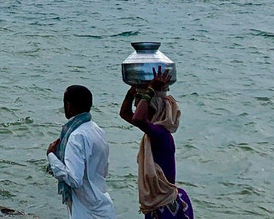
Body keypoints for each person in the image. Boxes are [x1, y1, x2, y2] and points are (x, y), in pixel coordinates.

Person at [119, 69, 193, 219]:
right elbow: (125, 114)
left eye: (142, 105)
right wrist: (133, 91)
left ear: (155, 108)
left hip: (165, 207)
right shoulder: (154, 132)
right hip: (159, 205)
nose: (138, 109)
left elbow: (138, 119)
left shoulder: (160, 135)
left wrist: (151, 89)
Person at [46, 85, 117, 219]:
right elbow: (104, 170)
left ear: (68, 105)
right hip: (101, 202)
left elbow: (74, 180)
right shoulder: (97, 131)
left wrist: (51, 156)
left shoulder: (75, 136)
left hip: (86, 209)